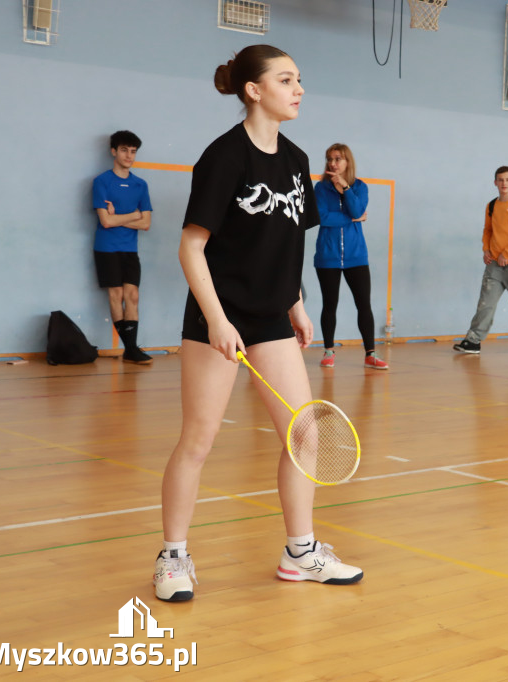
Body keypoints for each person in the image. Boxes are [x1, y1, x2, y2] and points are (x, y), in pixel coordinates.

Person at [153, 45, 363, 603]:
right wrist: (218, 320)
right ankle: (173, 556)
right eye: (286, 79)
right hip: (217, 317)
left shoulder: (296, 161)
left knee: (305, 435)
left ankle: (300, 551)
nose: (298, 89)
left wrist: (295, 303)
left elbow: (286, 242)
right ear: (254, 89)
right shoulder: (223, 157)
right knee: (198, 440)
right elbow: (191, 248)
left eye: (299, 79)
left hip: (272, 317)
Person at [313, 143, 387, 370]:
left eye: (337, 159)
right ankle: (328, 350)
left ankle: (370, 354)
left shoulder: (360, 187)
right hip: (327, 256)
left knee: (364, 304)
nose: (332, 163)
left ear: (347, 162)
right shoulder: (320, 188)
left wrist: (345, 188)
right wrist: (353, 218)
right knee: (329, 304)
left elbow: (356, 210)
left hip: (356, 256)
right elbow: (322, 217)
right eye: (329, 159)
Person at [453, 166, 508, 355]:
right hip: (494, 265)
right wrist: (486, 249)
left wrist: (507, 254)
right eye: (500, 180)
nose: (504, 183)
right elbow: (488, 230)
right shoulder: (491, 206)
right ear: (495, 182)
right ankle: (473, 340)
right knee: (485, 302)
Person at [92, 130, 154, 364]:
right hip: (106, 247)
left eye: (133, 151)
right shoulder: (102, 182)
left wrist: (119, 216)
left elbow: (146, 223)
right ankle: (131, 349)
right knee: (116, 295)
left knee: (133, 296)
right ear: (113, 151)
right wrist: (134, 215)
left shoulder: (140, 185)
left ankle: (130, 349)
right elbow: (105, 222)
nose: (129, 155)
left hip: (130, 249)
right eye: (125, 150)